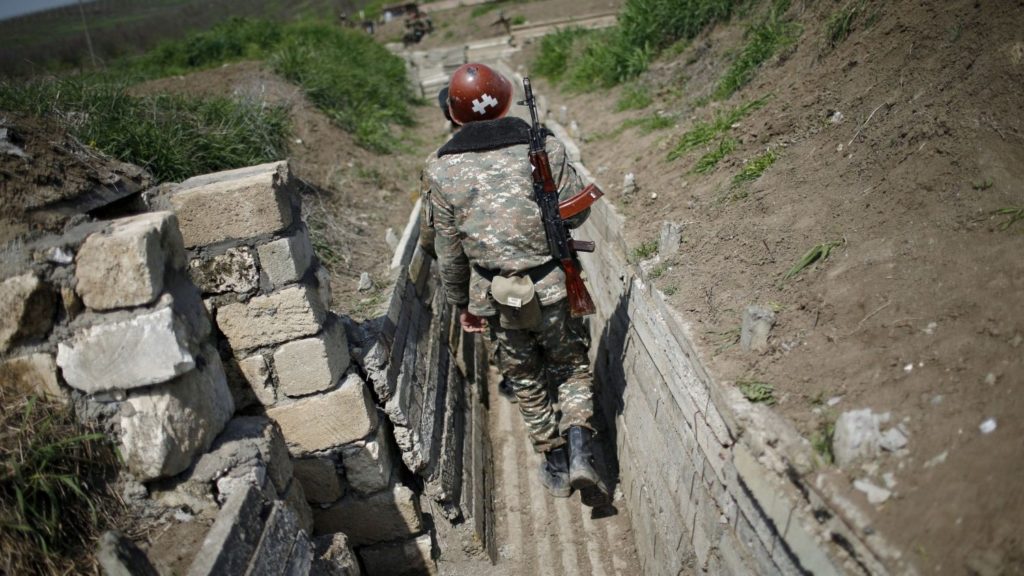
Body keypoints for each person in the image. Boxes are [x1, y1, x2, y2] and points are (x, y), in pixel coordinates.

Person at [422, 63, 604, 504]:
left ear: (454, 112)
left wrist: (461, 303)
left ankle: (556, 463)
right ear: (504, 99)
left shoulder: (440, 169)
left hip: (494, 296)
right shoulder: (542, 146)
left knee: (523, 376)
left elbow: (448, 252)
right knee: (572, 365)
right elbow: (577, 213)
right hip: (553, 284)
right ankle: (581, 446)